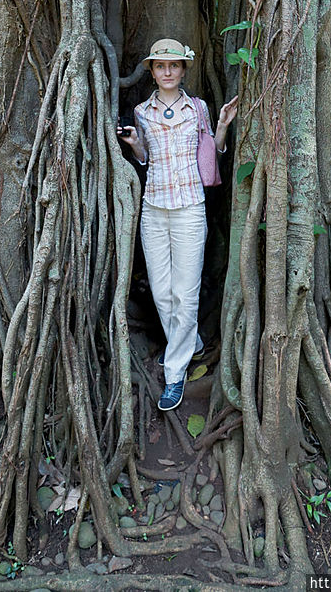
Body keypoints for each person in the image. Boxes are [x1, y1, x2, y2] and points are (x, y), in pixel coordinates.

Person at [118, 38, 238, 411]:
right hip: (154, 209)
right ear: (152, 72)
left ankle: (174, 374)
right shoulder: (141, 111)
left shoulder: (198, 108)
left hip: (189, 209)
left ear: (183, 70)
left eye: (174, 66)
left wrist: (221, 127)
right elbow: (144, 159)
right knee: (163, 291)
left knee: (185, 294)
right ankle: (192, 342)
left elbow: (210, 155)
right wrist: (136, 144)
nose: (167, 72)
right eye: (160, 66)